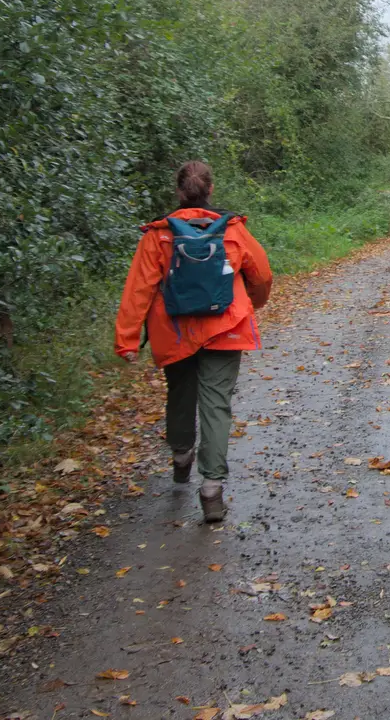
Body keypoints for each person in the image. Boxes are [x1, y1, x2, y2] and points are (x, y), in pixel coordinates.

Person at [115, 161, 272, 523]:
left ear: (179, 192)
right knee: (216, 405)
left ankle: (182, 455)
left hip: (175, 330)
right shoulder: (232, 231)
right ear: (211, 190)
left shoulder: (158, 235)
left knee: (180, 393)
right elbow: (261, 275)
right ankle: (212, 489)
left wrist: (126, 339)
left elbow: (138, 290)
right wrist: (252, 303)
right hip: (226, 328)